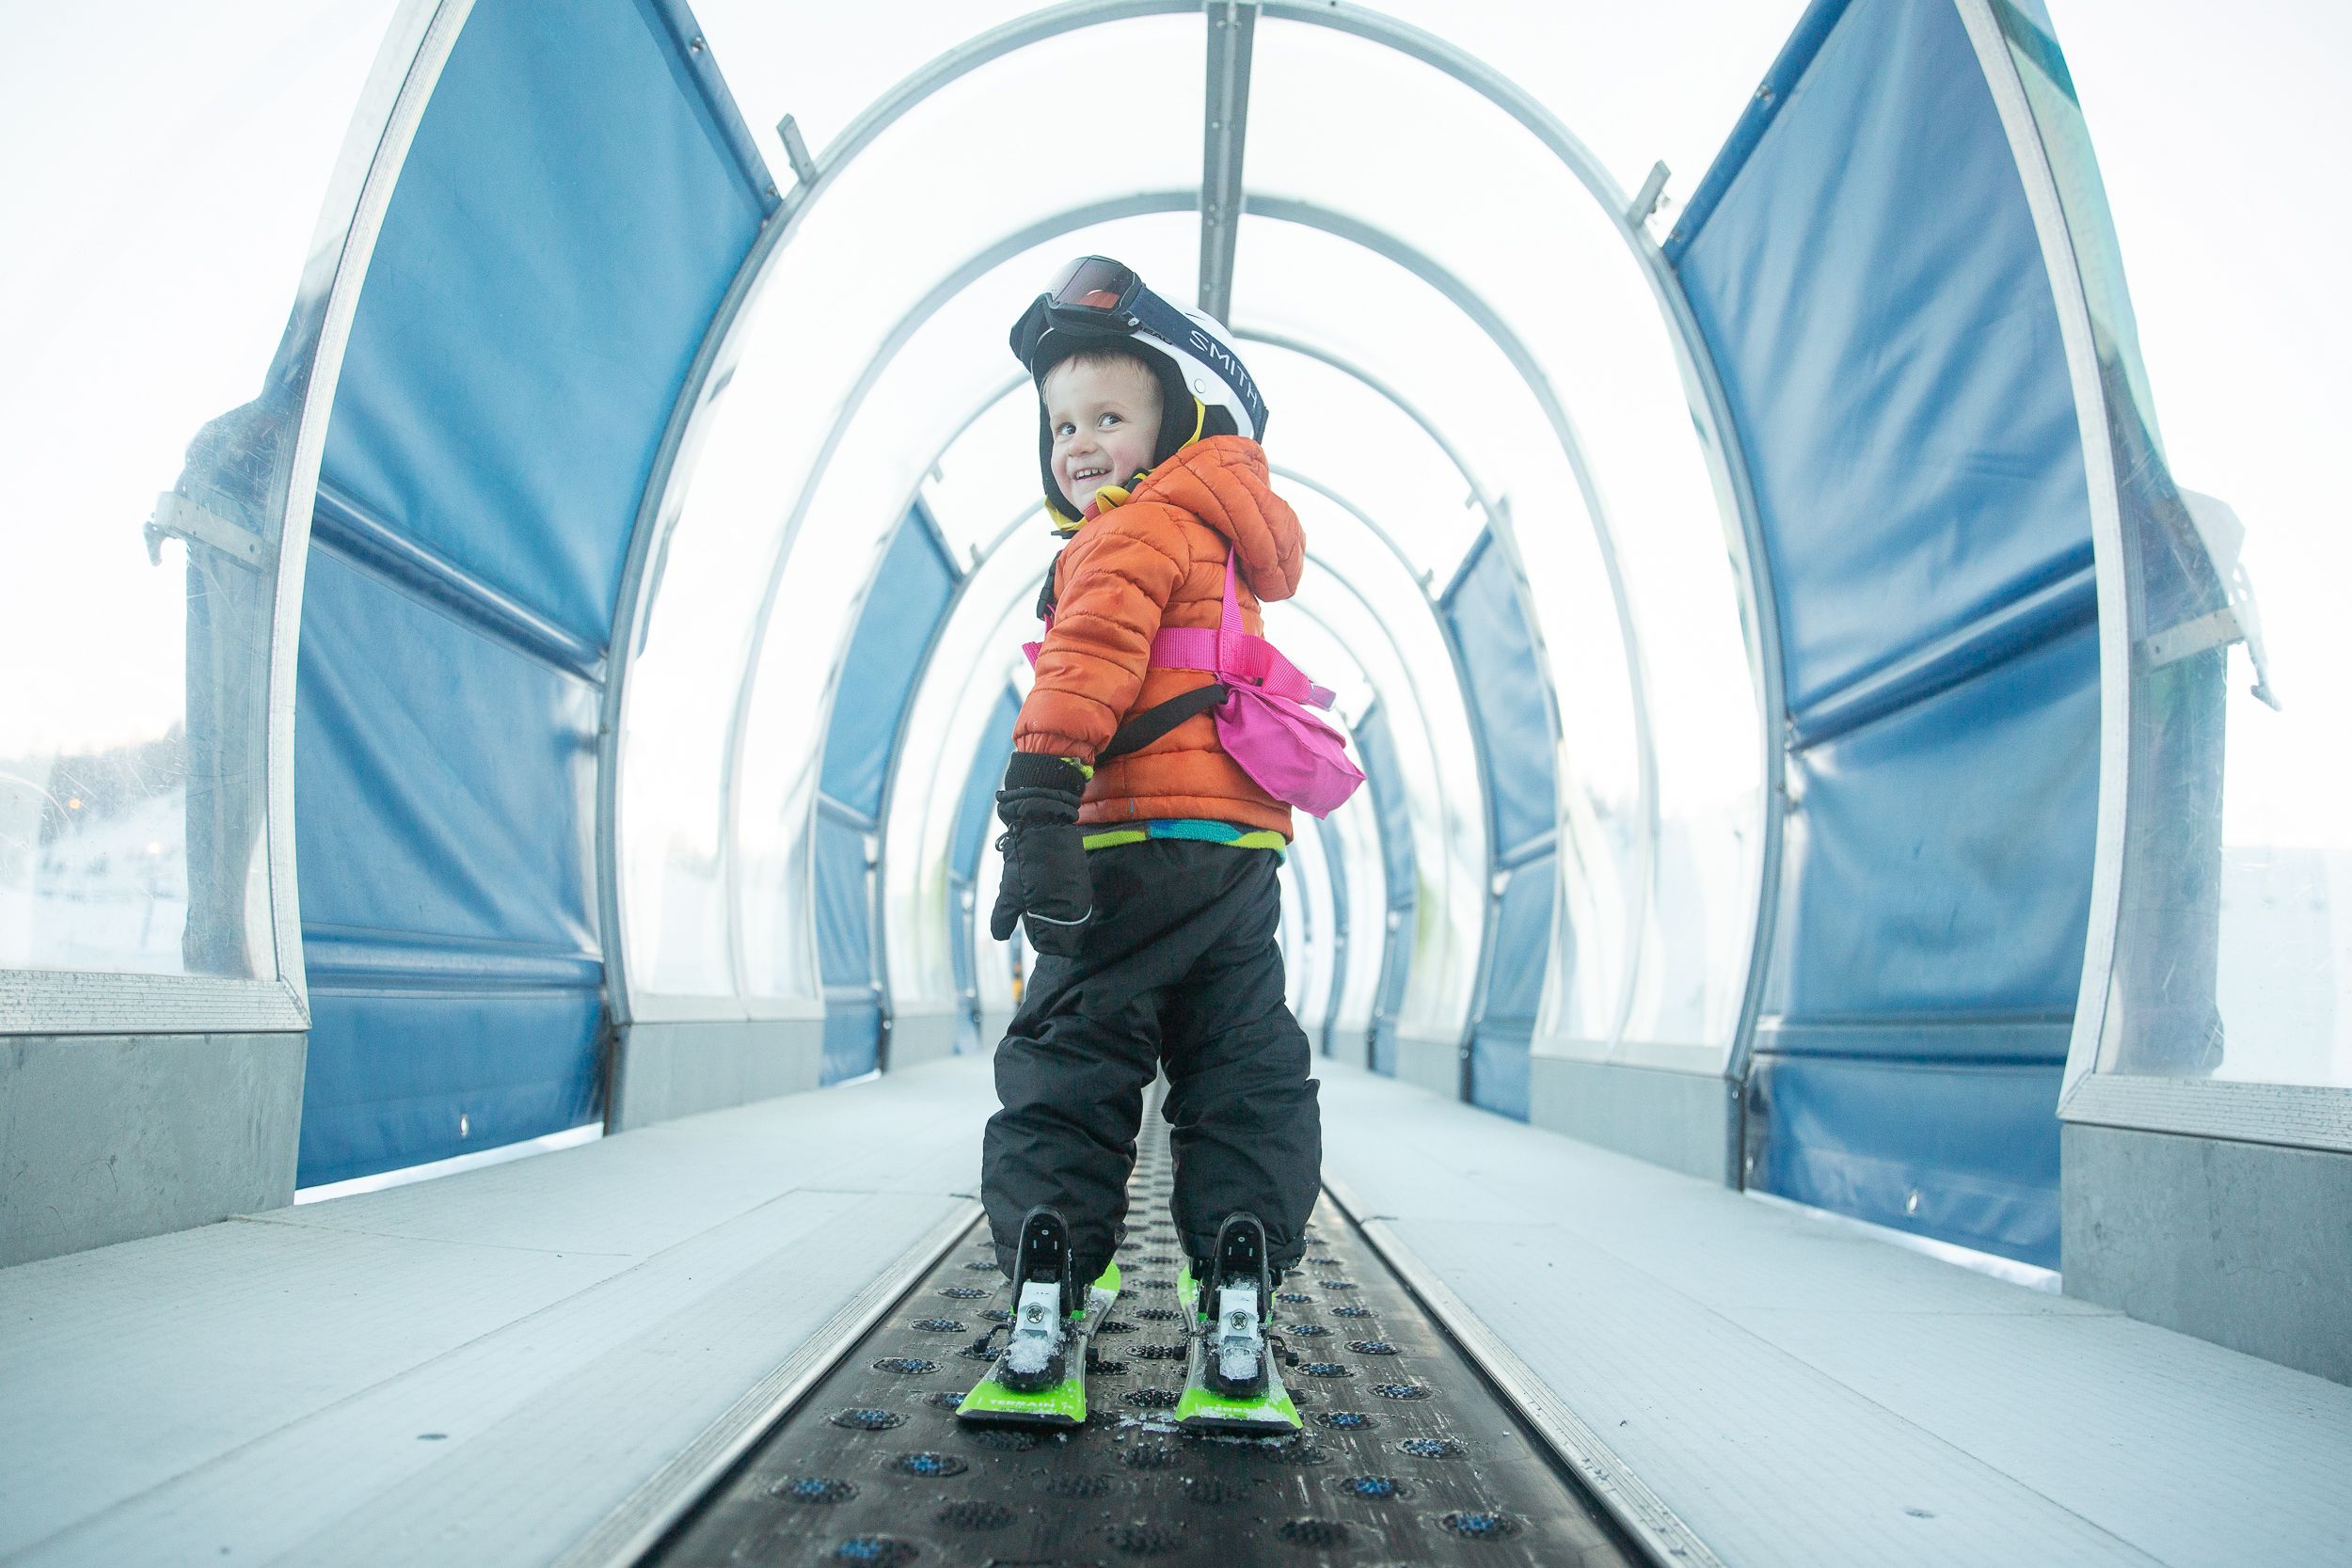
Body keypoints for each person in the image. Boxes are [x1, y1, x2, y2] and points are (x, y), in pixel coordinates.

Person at [977, 257, 1328, 1401]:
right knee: (1238, 1059)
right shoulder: (1220, 533)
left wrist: (1036, 806)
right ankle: (1237, 1272)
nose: (1077, 444)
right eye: (1059, 424)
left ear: (1173, 418)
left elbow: (1083, 671)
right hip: (1232, 851)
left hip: (1125, 846)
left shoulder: (1127, 533)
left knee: (1072, 1053)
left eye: (1108, 417)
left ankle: (1053, 1278)